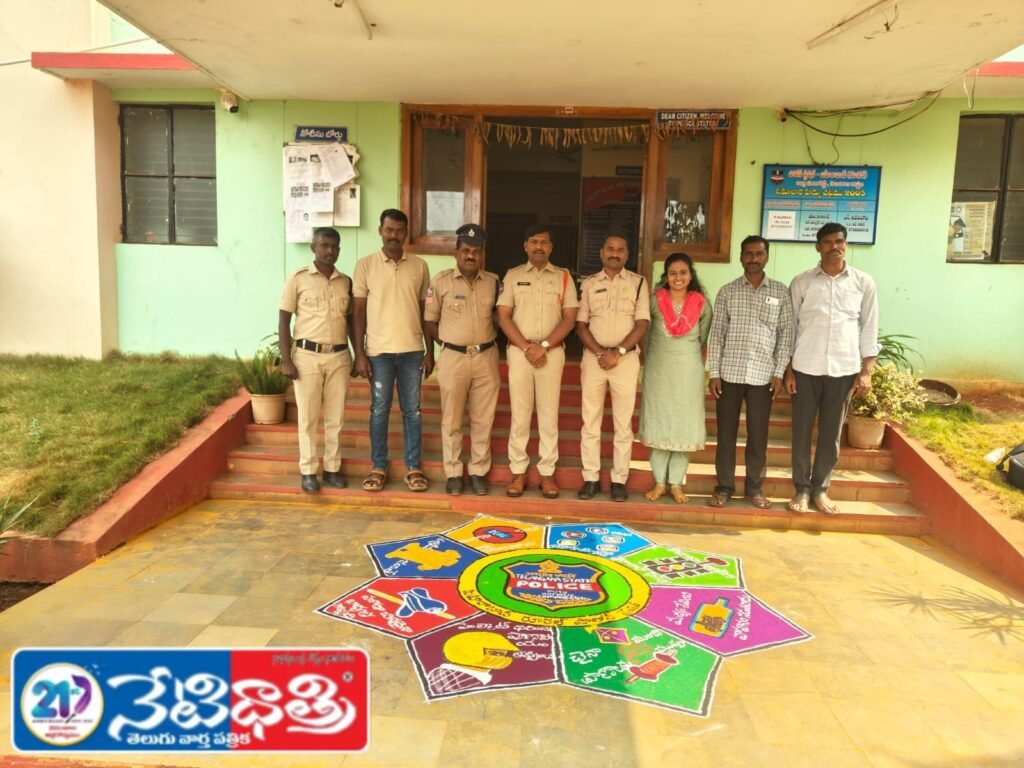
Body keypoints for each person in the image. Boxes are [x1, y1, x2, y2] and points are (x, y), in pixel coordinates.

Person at [785, 222, 879, 515]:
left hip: (843, 369)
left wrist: (866, 371)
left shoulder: (863, 283)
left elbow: (869, 328)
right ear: (817, 247)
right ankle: (801, 489)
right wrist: (788, 369)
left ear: (846, 245)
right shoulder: (802, 282)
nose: (834, 247)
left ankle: (820, 490)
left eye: (839, 241)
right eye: (827, 242)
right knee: (800, 431)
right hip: (805, 367)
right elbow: (791, 328)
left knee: (831, 433)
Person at [707, 235, 793, 510]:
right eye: (748, 254)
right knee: (726, 435)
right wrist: (714, 372)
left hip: (764, 377)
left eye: (759, 254)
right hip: (729, 375)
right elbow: (717, 334)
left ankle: (754, 489)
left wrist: (779, 372)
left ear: (766, 257)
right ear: (741, 256)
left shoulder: (781, 292)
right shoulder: (727, 291)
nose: (753, 259)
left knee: (758, 436)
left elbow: (786, 335)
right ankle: (723, 487)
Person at [352, 209, 434, 493]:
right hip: (379, 352)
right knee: (379, 411)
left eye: (399, 230)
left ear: (406, 233)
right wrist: (360, 353)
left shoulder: (420, 266)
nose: (394, 235)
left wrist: (430, 350)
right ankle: (378, 467)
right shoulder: (365, 265)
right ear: (380, 231)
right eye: (389, 230)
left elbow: (426, 311)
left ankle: (413, 468)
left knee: (413, 411)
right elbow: (358, 312)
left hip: (413, 351)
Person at [496, 225, 579, 499]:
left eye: (544, 242)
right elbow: (504, 315)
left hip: (551, 353)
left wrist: (543, 346)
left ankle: (546, 474)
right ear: (526, 246)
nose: (539, 246)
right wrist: (526, 346)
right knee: (520, 414)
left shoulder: (564, 277)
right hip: (520, 353)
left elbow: (569, 318)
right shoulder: (513, 275)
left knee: (547, 413)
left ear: (551, 247)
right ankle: (518, 473)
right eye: (534, 242)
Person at [424, 224, 501, 497]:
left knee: (483, 419)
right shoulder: (440, 282)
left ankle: (478, 472)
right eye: (465, 250)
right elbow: (429, 321)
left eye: (475, 251)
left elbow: (500, 317)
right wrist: (444, 346)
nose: (470, 256)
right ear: (456, 253)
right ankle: (454, 473)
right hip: (453, 357)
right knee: (452, 420)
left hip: (486, 357)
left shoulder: (493, 282)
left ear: (481, 255)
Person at [278, 227, 353, 493]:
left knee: (336, 418)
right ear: (313, 248)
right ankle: (308, 471)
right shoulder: (298, 279)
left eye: (334, 246)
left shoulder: (345, 282)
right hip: (307, 357)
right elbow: (284, 319)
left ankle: (332, 469)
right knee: (308, 418)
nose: (329, 251)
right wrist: (286, 359)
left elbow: (351, 321)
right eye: (324, 246)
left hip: (339, 357)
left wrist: (357, 355)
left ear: (339, 250)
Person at [575, 234, 650, 502]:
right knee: (591, 421)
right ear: (601, 253)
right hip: (594, 359)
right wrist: (599, 352)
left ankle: (619, 480)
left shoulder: (639, 283)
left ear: (627, 254)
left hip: (625, 360)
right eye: (610, 249)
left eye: (620, 250)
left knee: (623, 423)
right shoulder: (589, 284)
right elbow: (581, 324)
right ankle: (591, 478)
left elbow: (642, 323)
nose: (615, 254)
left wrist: (618, 352)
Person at [638, 252, 712, 504]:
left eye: (683, 272)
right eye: (673, 273)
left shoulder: (701, 303)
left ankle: (677, 483)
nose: (678, 277)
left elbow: (703, 338)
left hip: (688, 370)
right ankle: (659, 482)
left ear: (690, 275)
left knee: (683, 424)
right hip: (659, 367)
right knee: (660, 421)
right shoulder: (654, 301)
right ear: (666, 276)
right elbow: (645, 336)